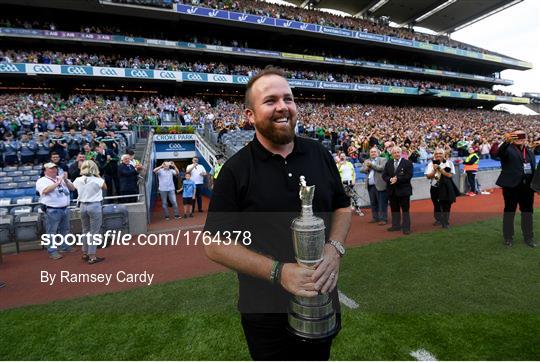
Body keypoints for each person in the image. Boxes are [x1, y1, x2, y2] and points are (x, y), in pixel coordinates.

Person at [203, 67, 351, 360]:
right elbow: (214, 244)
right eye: (270, 101)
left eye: (288, 99)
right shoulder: (235, 170)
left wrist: (334, 250)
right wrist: (279, 272)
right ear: (250, 115)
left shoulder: (319, 153)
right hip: (265, 312)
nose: (283, 106)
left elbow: (342, 207)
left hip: (321, 302)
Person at [496, 130, 536, 247]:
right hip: (511, 187)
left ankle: (528, 237)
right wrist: (506, 141)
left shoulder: (529, 151)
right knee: (509, 212)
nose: (520, 138)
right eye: (516, 136)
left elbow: (532, 168)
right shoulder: (507, 149)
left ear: (526, 138)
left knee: (527, 213)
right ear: (512, 137)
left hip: (527, 188)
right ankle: (508, 237)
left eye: (522, 136)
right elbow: (499, 153)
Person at [36, 162, 76, 259]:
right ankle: (52, 251)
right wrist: (57, 183)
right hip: (52, 209)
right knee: (51, 232)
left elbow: (73, 188)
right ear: (45, 171)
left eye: (55, 168)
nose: (54, 170)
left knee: (65, 230)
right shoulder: (42, 180)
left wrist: (65, 180)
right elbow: (45, 191)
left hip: (64, 208)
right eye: (51, 168)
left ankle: (64, 246)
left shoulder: (61, 179)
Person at [73, 160, 107, 264]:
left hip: (83, 206)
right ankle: (92, 256)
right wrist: (98, 175)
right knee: (94, 232)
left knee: (85, 230)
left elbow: (73, 188)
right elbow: (105, 187)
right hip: (94, 205)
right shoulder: (97, 179)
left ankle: (85, 252)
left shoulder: (78, 179)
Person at [382, 146, 413, 235]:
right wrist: (390, 179)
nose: (396, 154)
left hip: (404, 191)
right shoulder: (389, 163)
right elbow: (384, 175)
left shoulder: (407, 163)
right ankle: (396, 226)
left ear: (401, 153)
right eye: (394, 153)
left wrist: (397, 179)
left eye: (398, 152)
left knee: (405, 210)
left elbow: (409, 175)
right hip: (392, 191)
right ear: (391, 154)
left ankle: (406, 228)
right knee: (394, 209)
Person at [424, 148, 458, 229]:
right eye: (436, 154)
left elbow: (450, 175)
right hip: (435, 187)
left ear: (444, 154)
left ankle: (445, 222)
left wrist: (440, 169)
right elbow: (428, 176)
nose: (438, 155)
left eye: (440, 153)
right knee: (436, 204)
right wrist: (434, 171)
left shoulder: (449, 163)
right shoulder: (431, 164)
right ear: (434, 155)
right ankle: (438, 219)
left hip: (446, 187)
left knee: (447, 205)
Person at [361, 147, 388, 225]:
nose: (373, 153)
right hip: (370, 185)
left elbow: (381, 168)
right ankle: (375, 217)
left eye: (374, 152)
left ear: (378, 153)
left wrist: (371, 165)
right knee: (373, 203)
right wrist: (367, 168)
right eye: (371, 152)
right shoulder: (367, 161)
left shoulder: (383, 159)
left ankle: (383, 219)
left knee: (382, 203)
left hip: (380, 185)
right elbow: (362, 170)